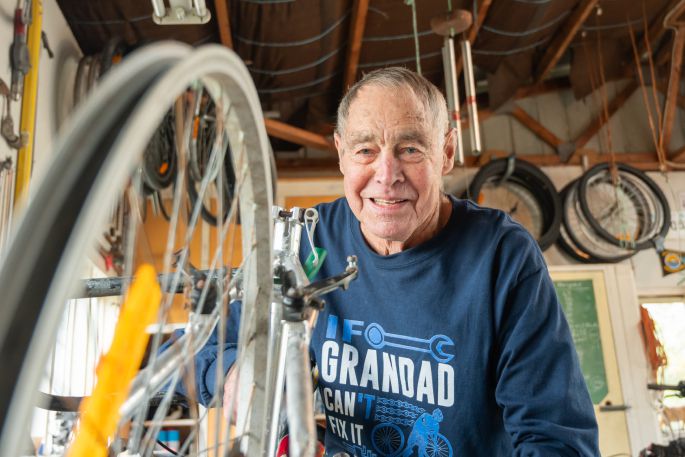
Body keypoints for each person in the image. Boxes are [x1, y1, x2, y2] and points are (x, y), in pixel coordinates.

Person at [192, 67, 600, 456]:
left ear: (446, 152)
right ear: (340, 154)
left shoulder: (500, 256)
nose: (386, 175)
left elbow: (556, 435)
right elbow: (198, 349)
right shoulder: (307, 242)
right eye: (365, 150)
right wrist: (232, 374)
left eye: (409, 149)